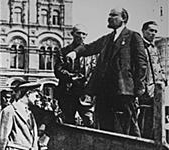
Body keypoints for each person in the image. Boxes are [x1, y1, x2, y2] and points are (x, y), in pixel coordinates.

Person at [66, 7, 147, 136]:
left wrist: (139, 87)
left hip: (124, 92)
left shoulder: (133, 36)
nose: (109, 18)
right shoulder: (107, 39)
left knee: (128, 127)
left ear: (124, 18)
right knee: (104, 127)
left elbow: (142, 64)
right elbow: (89, 47)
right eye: (109, 15)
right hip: (104, 91)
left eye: (113, 15)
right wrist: (75, 53)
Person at [54, 24, 96, 127]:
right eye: (78, 33)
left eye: (84, 34)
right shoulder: (63, 51)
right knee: (68, 122)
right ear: (72, 34)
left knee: (89, 121)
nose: (81, 36)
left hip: (84, 93)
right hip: (68, 91)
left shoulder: (90, 54)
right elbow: (58, 70)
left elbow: (95, 71)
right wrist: (71, 77)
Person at [138, 21, 167, 139]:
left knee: (154, 116)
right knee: (144, 116)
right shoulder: (139, 47)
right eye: (151, 30)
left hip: (156, 88)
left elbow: (158, 66)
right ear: (143, 31)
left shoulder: (154, 48)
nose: (153, 33)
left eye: (155, 31)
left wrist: (164, 79)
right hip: (144, 89)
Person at [0, 82, 41, 150]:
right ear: (28, 93)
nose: (37, 99)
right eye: (36, 96)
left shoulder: (30, 113)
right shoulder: (10, 110)